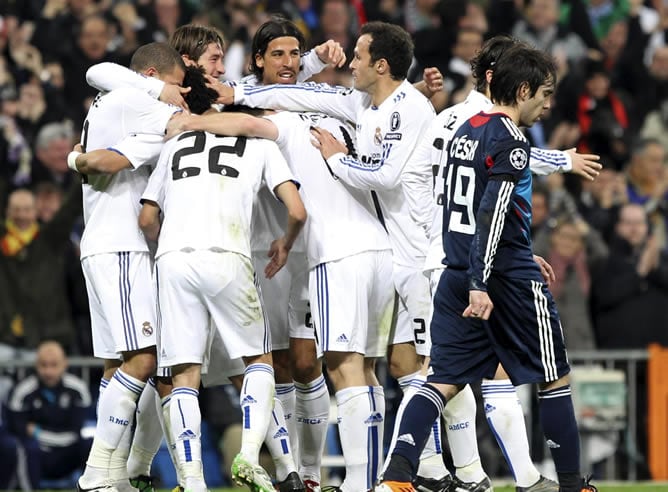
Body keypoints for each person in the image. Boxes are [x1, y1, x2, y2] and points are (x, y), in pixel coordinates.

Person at [221, 20, 450, 491]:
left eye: (295, 54)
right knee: (362, 369)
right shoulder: (349, 110)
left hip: (331, 253)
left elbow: (248, 108)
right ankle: (386, 476)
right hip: (379, 251)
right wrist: (311, 64)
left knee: (342, 367)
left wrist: (195, 118)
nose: (290, 65)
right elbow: (281, 95)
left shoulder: (287, 118)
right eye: (280, 56)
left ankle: (360, 482)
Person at [378, 44, 596, 492]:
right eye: (544, 93)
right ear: (522, 90)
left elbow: (455, 206)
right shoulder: (511, 139)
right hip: (500, 278)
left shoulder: (464, 129)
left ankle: (397, 475)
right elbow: (491, 213)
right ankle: (572, 485)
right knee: (554, 377)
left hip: (453, 268)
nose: (548, 104)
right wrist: (488, 276)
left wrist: (471, 269)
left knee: (442, 381)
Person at [137, 65, 306, 492]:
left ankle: (191, 480)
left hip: (174, 258)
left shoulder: (174, 143)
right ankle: (250, 456)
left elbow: (146, 217)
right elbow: (298, 210)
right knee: (259, 362)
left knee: (183, 375)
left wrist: (171, 245)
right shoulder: (259, 140)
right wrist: (285, 241)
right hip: (227, 255)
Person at [67, 42, 185, 492]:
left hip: (101, 243)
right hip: (121, 246)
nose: (178, 93)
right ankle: (99, 471)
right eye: (175, 84)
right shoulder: (138, 100)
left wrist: (78, 158)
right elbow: (187, 126)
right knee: (146, 357)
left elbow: (98, 73)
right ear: (154, 75)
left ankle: (115, 476)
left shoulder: (110, 103)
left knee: (116, 366)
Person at [5, 340, 93, 489]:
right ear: (36, 365)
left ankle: (90, 488)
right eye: (43, 365)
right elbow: (20, 431)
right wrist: (54, 435)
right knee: (26, 447)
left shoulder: (78, 389)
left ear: (64, 364)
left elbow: (75, 431)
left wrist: (37, 431)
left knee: (90, 443)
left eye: (54, 365)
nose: (48, 371)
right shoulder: (23, 391)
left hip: (69, 453)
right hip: (38, 454)